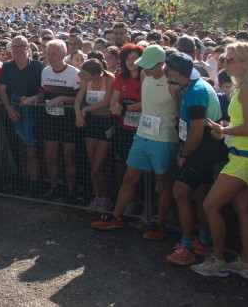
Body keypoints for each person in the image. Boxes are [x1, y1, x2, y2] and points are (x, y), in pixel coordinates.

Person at [192, 41, 248, 279]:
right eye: (224, 59)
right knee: (241, 208)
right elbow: (246, 126)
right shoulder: (247, 86)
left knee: (210, 206)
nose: (224, 63)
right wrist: (227, 128)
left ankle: (219, 261)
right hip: (244, 155)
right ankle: (245, 263)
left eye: (230, 59)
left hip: (245, 158)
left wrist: (223, 130)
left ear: (246, 63)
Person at [92, 44, 178, 241]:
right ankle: (116, 217)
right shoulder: (144, 76)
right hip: (142, 135)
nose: (145, 69)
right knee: (130, 178)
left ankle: (160, 224)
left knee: (162, 183)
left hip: (163, 138)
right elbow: (145, 103)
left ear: (162, 65)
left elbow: (178, 110)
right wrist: (123, 109)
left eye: (149, 66)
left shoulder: (172, 83)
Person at [165, 52, 227, 267]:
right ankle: (204, 240)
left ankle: (187, 247)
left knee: (180, 192)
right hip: (200, 147)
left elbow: (197, 131)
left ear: (174, 73)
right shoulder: (192, 85)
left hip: (203, 149)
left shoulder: (196, 91)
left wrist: (184, 154)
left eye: (167, 72)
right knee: (200, 192)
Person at [0, 35, 44, 195]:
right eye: (15, 47)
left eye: (21, 46)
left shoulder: (38, 67)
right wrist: (9, 109)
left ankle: (35, 185)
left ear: (28, 48)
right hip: (13, 114)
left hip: (34, 116)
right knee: (18, 151)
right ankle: (23, 183)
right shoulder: (7, 66)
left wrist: (37, 98)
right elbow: (2, 90)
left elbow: (44, 91)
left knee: (32, 152)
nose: (17, 50)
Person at [39, 39, 81, 203]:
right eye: (48, 54)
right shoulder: (45, 71)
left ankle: (70, 191)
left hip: (68, 120)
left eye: (54, 54)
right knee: (51, 156)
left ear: (64, 55)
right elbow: (43, 92)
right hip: (50, 119)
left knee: (68, 157)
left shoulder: (74, 72)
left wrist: (63, 98)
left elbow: (80, 98)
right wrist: (36, 97)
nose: (50, 57)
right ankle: (54, 187)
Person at [75, 58, 115, 210]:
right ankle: (97, 196)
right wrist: (78, 113)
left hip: (105, 123)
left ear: (95, 74)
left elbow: (106, 102)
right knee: (93, 164)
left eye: (85, 74)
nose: (81, 76)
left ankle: (106, 197)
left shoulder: (109, 79)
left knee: (99, 165)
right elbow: (79, 99)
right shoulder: (86, 80)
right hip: (91, 122)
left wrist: (85, 110)